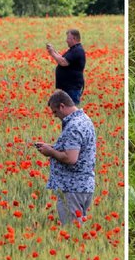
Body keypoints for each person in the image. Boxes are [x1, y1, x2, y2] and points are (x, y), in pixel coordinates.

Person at [33, 90, 96, 224]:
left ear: (62, 106)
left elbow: (71, 158)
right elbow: (76, 150)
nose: (55, 116)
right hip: (83, 186)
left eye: (55, 112)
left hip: (72, 189)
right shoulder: (84, 119)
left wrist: (50, 152)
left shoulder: (74, 126)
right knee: (78, 229)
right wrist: (52, 147)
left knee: (72, 233)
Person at [47, 29, 86, 105]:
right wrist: (53, 51)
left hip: (72, 87)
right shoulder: (73, 49)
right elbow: (62, 58)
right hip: (67, 87)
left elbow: (63, 62)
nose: (66, 40)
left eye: (68, 38)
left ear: (74, 38)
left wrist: (52, 53)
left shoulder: (77, 50)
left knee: (71, 110)